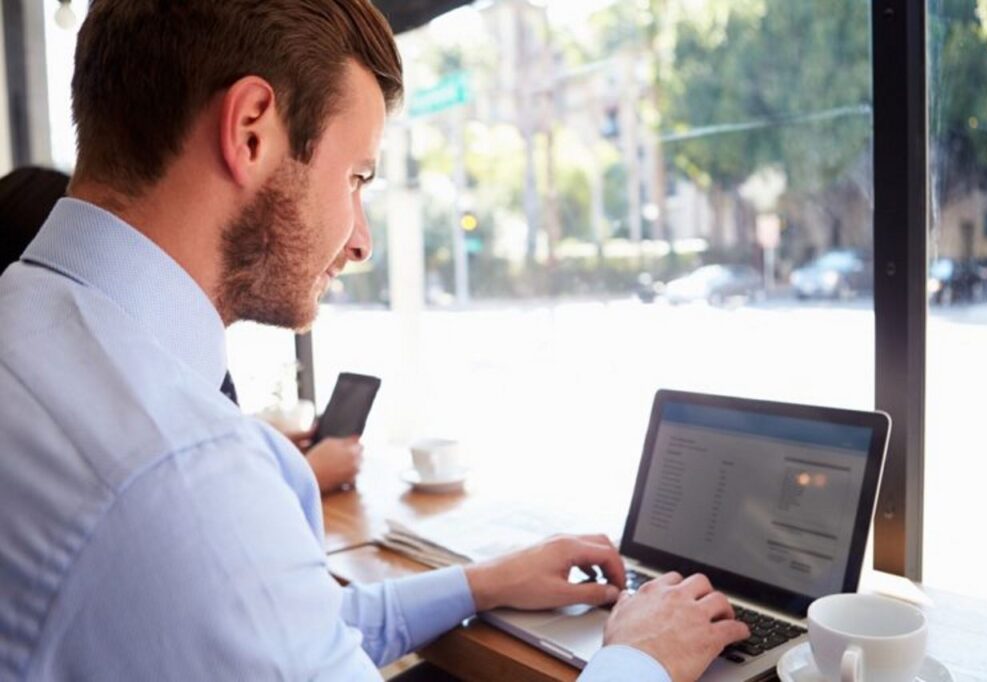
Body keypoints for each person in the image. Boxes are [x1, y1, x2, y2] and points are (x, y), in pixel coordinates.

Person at [0, 1, 748, 680]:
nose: (359, 241)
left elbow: (284, 628)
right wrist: (638, 663)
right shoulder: (183, 479)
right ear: (251, 130)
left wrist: (483, 581)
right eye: (356, 176)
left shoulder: (25, 321)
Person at [0, 167, 362, 493]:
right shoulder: (126, 399)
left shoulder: (31, 369)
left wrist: (256, 447)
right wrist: (305, 472)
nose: (360, 244)